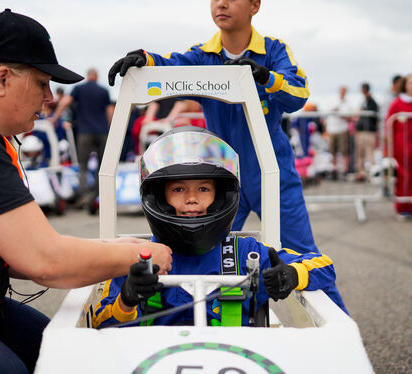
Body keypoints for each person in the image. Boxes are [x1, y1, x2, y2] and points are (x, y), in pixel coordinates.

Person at [0, 9, 172, 374]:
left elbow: (10, 251)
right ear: (2, 79)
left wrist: (111, 249)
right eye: (42, 83)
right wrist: (142, 255)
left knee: (66, 350)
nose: (51, 98)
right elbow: (44, 262)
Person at [108, 0, 321, 259]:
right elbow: (170, 64)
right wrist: (145, 59)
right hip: (221, 178)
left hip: (273, 174)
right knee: (201, 258)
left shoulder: (274, 51)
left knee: (305, 258)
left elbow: (298, 94)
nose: (221, 3)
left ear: (255, 5)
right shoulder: (202, 55)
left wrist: (265, 77)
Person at [93, 127, 347, 328]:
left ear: (220, 196)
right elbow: (97, 324)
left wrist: (292, 275)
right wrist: (126, 299)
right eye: (179, 189)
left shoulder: (248, 253)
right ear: (159, 197)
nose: (191, 199)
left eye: (203, 189)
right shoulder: (136, 260)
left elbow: (325, 266)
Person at [51, 68, 114, 206]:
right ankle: (100, 194)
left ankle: (84, 195)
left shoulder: (79, 89)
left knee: (83, 165)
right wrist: (111, 128)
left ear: (88, 76)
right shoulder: (103, 91)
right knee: (102, 165)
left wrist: (55, 117)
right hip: (102, 132)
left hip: (85, 131)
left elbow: (65, 101)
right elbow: (109, 110)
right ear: (96, 77)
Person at [385, 74, 412, 220]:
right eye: (410, 83)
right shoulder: (397, 103)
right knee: (403, 176)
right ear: (405, 85)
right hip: (401, 145)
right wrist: (388, 147)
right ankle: (402, 207)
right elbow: (389, 124)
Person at [325, 86, 352, 180]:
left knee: (344, 151)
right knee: (333, 151)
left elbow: (350, 118)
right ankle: (334, 170)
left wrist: (341, 114)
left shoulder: (347, 104)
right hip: (332, 129)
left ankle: (345, 170)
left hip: (342, 129)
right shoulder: (332, 100)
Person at [354, 82, 379, 182]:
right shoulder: (363, 101)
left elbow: (374, 115)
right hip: (361, 130)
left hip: (369, 131)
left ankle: (372, 173)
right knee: (360, 153)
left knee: (370, 153)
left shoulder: (372, 102)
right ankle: (361, 173)